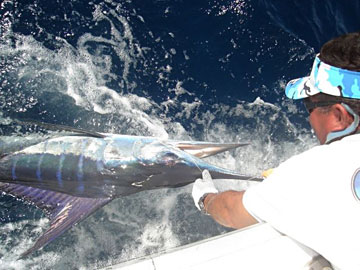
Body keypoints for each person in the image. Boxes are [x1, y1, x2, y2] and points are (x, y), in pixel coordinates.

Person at [192, 31, 360, 270]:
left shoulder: (311, 173)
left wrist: (205, 197)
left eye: (309, 104)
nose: (309, 117)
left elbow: (230, 211)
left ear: (339, 115)